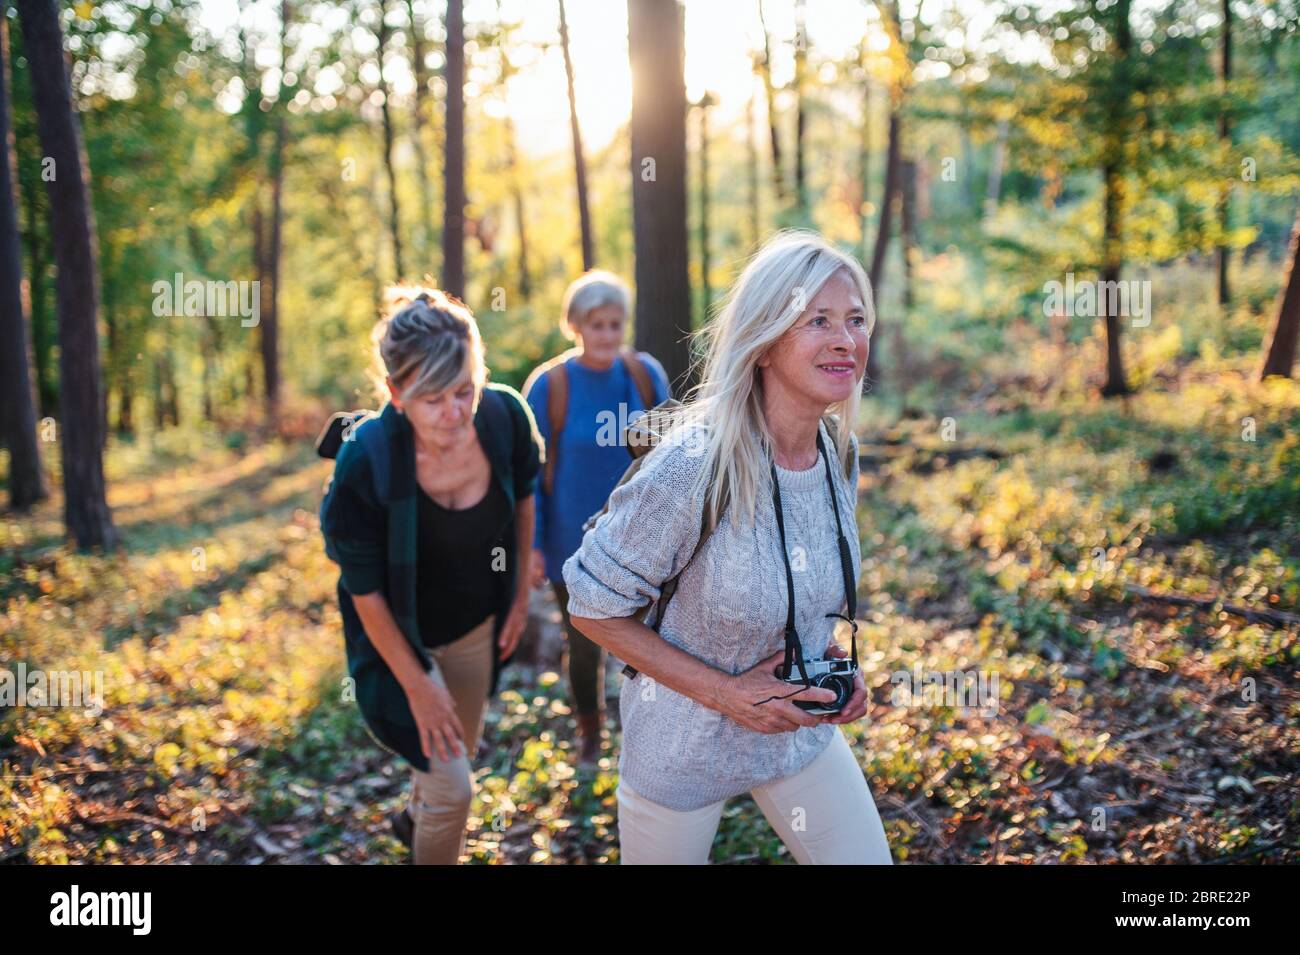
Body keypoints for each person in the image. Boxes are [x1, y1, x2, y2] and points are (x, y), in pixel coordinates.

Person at [561, 231, 894, 864]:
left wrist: (832, 661)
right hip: (680, 750)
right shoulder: (692, 467)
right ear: (765, 342)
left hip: (796, 733)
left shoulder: (836, 453)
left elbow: (804, 585)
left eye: (855, 320)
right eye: (816, 320)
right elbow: (588, 603)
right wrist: (725, 692)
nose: (845, 339)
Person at [319, 285, 543, 864]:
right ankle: (430, 823)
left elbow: (523, 502)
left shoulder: (504, 418)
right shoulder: (366, 461)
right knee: (454, 788)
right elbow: (362, 589)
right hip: (397, 637)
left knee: (452, 752)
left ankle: (414, 820)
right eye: (433, 399)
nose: (453, 413)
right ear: (396, 394)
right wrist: (419, 684)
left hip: (475, 625)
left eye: (464, 390)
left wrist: (518, 595)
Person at [523, 270, 670, 768]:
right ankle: (590, 734)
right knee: (586, 643)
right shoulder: (550, 386)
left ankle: (647, 737)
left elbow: (674, 455)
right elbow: (529, 474)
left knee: (650, 644)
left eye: (615, 324)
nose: (607, 335)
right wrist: (533, 545)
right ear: (577, 326)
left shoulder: (645, 375)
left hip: (642, 537)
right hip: (573, 541)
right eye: (597, 325)